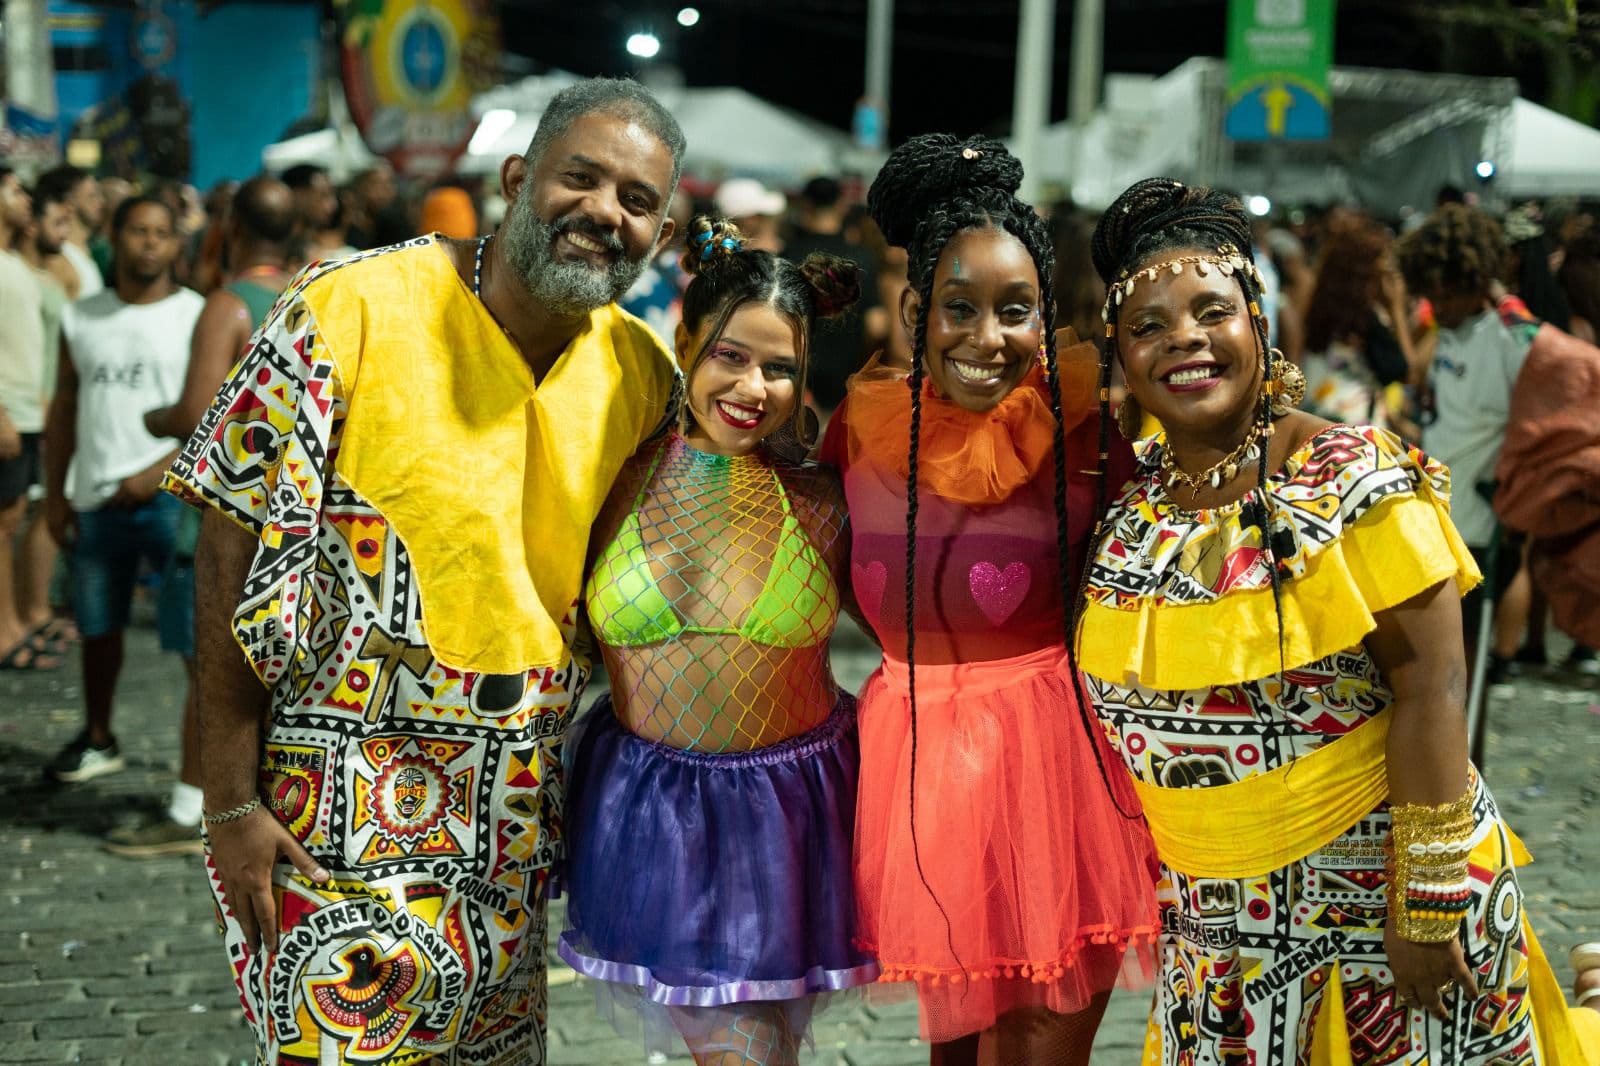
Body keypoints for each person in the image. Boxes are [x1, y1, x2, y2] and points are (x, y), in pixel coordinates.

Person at [162, 77, 686, 1064]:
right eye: (582, 178)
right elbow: (228, 546)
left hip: (511, 833)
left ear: (661, 230)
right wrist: (228, 801)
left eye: (637, 200)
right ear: (517, 178)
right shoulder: (343, 309)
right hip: (332, 817)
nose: (605, 213)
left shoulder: (644, 376)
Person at [1077, 177, 1595, 1064]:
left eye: (1212, 310)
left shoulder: (1350, 476)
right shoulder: (1133, 510)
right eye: (1148, 326)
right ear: (1119, 358)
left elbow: (1431, 682)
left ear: (1259, 325)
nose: (1185, 341)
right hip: (1217, 934)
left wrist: (1425, 900)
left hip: (1382, 915)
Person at [819, 135, 1159, 1065]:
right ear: (913, 310)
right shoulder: (859, 428)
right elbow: (830, 560)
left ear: (1047, 317)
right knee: (955, 1040)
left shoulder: (1087, 433)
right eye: (958, 308)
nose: (987, 337)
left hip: (1054, 769)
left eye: (1016, 311)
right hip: (917, 762)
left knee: (1041, 1034)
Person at [560, 216, 876, 1065]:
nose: (755, 387)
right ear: (686, 341)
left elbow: (920, 639)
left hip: (793, 821)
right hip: (648, 819)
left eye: (780, 367)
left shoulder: (827, 501)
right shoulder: (610, 478)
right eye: (731, 355)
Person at [101, 175, 299, 857]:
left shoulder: (227, 303)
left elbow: (195, 413)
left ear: (232, 232)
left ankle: (196, 806)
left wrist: (153, 417)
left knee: (208, 669)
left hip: (224, 509)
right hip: (291, 511)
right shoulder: (309, 293)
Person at [42, 195, 204, 782]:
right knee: (96, 627)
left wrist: (158, 471)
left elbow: (213, 411)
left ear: (176, 242)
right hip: (96, 493)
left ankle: (202, 772)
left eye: (161, 232)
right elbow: (65, 404)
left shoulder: (196, 313)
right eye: (138, 230)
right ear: (117, 236)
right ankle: (99, 735)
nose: (150, 242)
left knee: (194, 638)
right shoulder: (81, 316)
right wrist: (56, 493)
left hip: (172, 497)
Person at [1394, 205, 1530, 666]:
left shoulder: (1512, 341)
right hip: (1436, 513)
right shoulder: (1451, 331)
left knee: (1464, 660)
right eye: (1431, 295)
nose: (1438, 306)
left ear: (1473, 283)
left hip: (1477, 524)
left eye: (1446, 295)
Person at [0, 166, 56, 671]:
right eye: (14, 189)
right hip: (6, 412)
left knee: (12, 519)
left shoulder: (13, 259)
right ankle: (4, 630)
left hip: (24, 407)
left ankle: (14, 619)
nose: (24, 198)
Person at [784, 176, 878, 411]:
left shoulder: (787, 255)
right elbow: (877, 325)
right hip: (844, 384)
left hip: (794, 380)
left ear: (805, 205)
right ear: (842, 205)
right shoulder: (861, 260)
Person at [34, 165, 106, 298]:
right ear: (70, 201)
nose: (101, 201)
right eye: (93, 195)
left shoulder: (84, 253)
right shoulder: (57, 257)